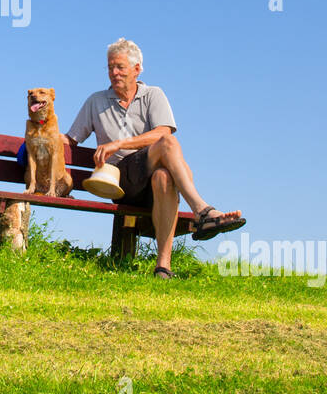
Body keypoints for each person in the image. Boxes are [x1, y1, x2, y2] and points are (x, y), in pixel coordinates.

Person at [64, 38, 245, 279]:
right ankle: (202, 211)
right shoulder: (95, 101)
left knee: (163, 177)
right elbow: (71, 139)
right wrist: (42, 132)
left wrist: (119, 142)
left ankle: (163, 267)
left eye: (120, 67)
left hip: (151, 183)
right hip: (120, 181)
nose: (114, 73)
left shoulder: (153, 95)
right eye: (110, 67)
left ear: (137, 69)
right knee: (168, 144)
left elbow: (162, 131)